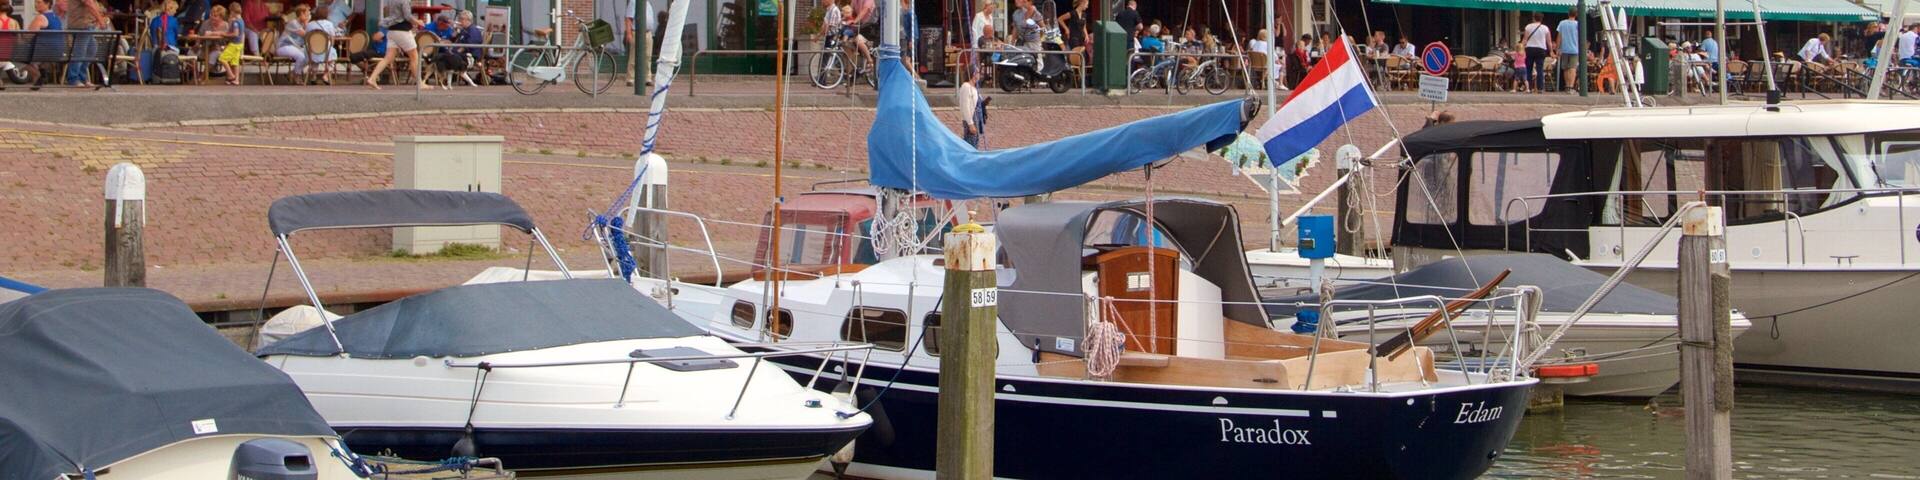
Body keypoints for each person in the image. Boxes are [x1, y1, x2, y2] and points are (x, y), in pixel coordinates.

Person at [364, 0, 424, 89]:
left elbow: (392, 14)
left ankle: (372, 78)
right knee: (414, 56)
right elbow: (407, 16)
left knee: (388, 58)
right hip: (403, 31)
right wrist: (418, 22)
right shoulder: (404, 1)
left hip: (391, 31)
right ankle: (420, 83)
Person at [65, 0, 108, 86]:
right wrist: (100, 19)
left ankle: (82, 77)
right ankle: (73, 78)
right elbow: (89, 3)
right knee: (80, 51)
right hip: (81, 25)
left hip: (86, 24)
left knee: (91, 49)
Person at [274, 5, 310, 81]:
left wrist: (306, 23)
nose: (308, 16)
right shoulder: (294, 23)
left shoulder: (302, 24)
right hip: (283, 46)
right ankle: (297, 76)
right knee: (301, 57)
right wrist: (307, 23)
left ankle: (292, 73)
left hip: (295, 47)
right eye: (306, 14)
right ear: (301, 14)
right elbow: (306, 35)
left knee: (311, 57)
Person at [306, 5, 339, 84]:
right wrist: (331, 46)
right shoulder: (329, 24)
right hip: (325, 52)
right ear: (326, 14)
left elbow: (306, 37)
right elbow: (332, 39)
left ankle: (313, 75)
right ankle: (326, 75)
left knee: (314, 60)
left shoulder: (309, 24)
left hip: (311, 51)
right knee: (333, 57)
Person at [1521, 12, 1550, 93]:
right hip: (1541, 49)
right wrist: (1551, 51)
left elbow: (1525, 39)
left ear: (1534, 18)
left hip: (1530, 49)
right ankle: (1540, 88)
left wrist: (1521, 48)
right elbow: (1549, 41)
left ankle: (1528, 87)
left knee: (1528, 68)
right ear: (1542, 19)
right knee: (1540, 69)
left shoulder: (1528, 26)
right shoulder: (1545, 28)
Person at [218, 3, 245, 84]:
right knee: (235, 62)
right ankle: (236, 80)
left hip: (234, 44)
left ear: (232, 11)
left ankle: (231, 75)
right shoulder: (241, 20)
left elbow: (235, 34)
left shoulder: (235, 22)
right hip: (239, 44)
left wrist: (224, 34)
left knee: (222, 59)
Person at [1556, 8, 1579, 93]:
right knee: (1572, 68)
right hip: (1575, 48)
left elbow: (1559, 36)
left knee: (1565, 68)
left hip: (1564, 48)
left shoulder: (1562, 23)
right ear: (1576, 14)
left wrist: (1558, 48)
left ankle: (1567, 86)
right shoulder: (1578, 24)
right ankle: (1571, 86)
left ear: (1568, 13)